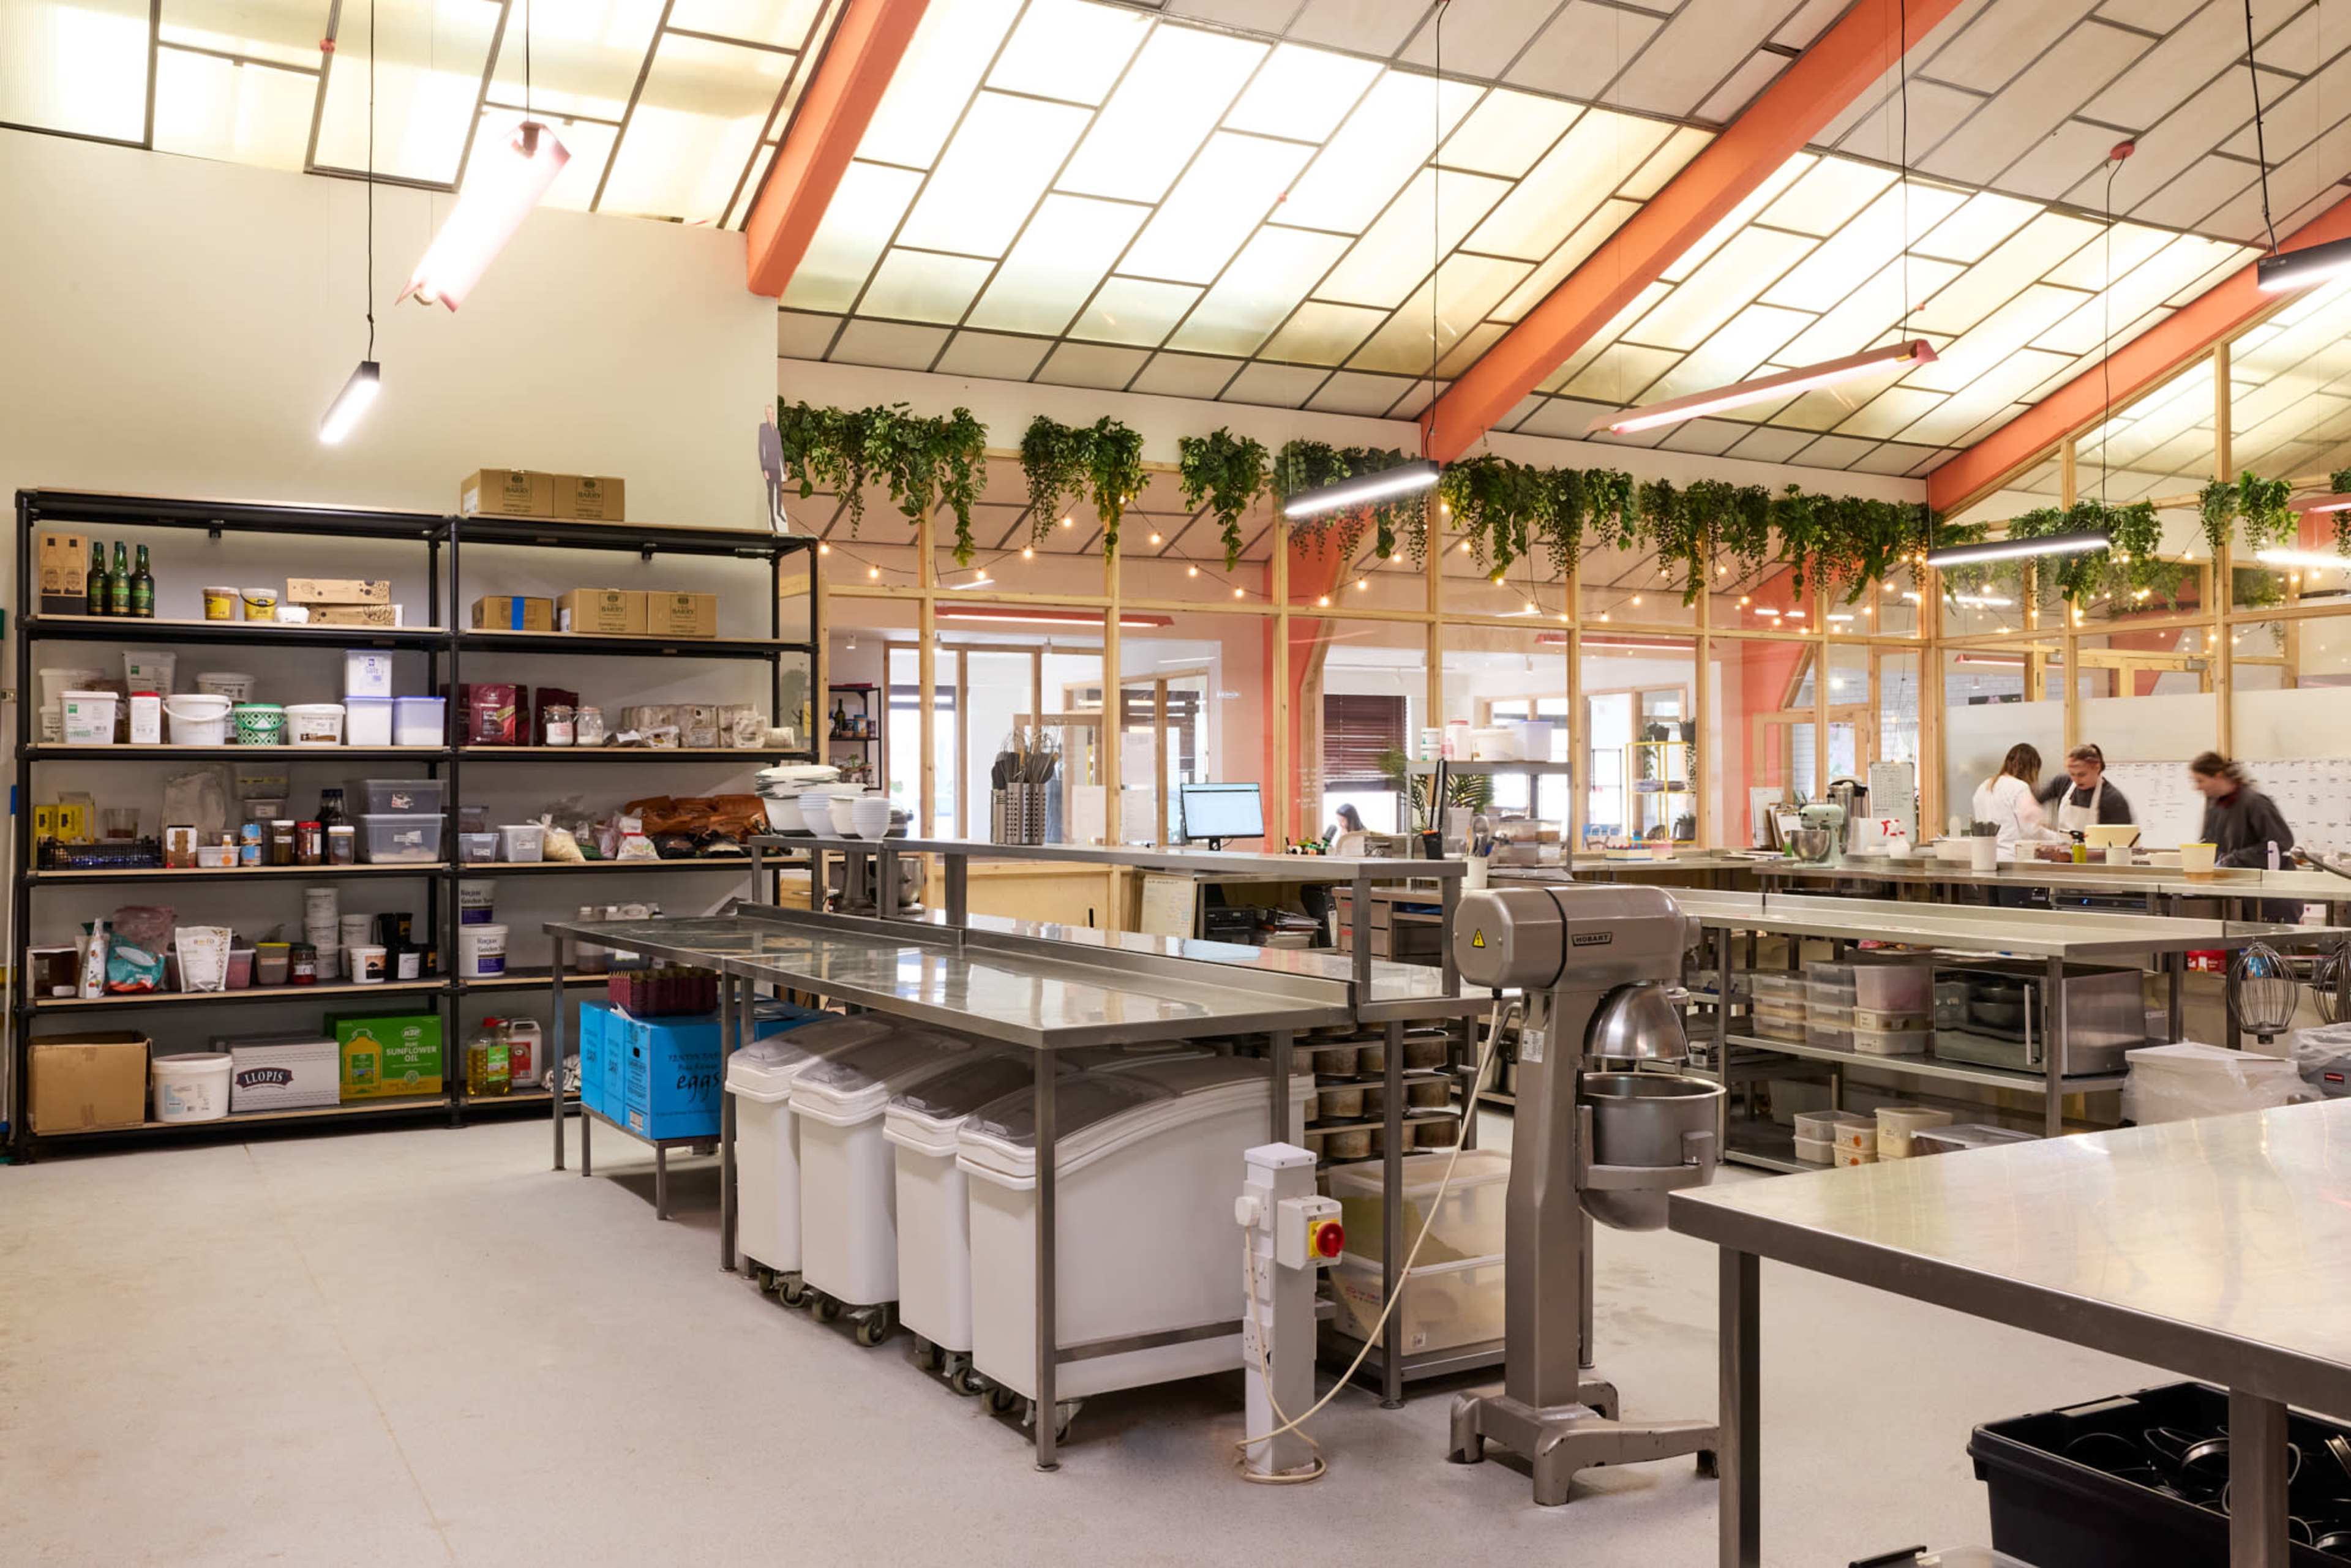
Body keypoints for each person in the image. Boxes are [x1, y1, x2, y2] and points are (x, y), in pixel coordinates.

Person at [2189, 752, 2295, 869]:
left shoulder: (2255, 803)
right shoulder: (2214, 805)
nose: (2197, 787)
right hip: (2232, 875)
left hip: (2266, 877)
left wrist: (2233, 860)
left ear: (2218, 776)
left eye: (2200, 781)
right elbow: (2208, 844)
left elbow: (2280, 845)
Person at [1971, 743, 2068, 857]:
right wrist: (2061, 839)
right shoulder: (2019, 787)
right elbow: (2032, 831)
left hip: (1985, 856)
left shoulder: (1984, 786)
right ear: (2032, 769)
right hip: (2011, 857)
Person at [2034, 742, 2135, 834]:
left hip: (2096, 849)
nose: (2076, 780)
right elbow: (2035, 800)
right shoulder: (2062, 783)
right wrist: (2035, 815)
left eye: (2082, 775)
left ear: (2097, 768)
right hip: (2064, 848)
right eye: (2072, 774)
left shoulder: (2113, 799)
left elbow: (2124, 838)